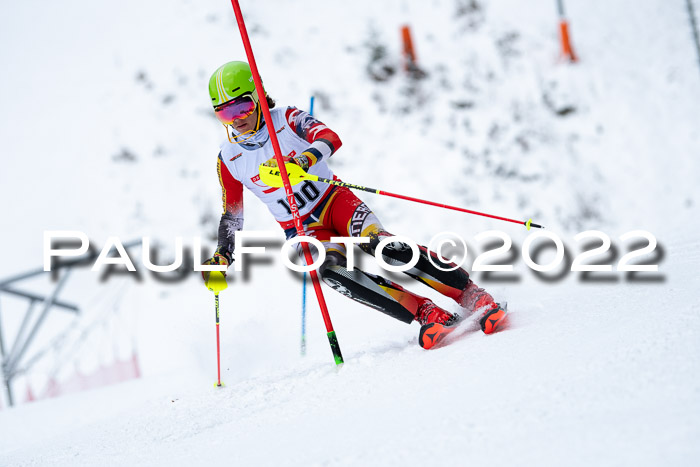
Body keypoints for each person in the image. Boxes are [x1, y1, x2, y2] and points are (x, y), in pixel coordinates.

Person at [202, 61, 507, 349]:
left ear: (258, 97)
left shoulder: (287, 119)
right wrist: (222, 256)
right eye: (225, 113)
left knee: (382, 245)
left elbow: (329, 137)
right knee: (331, 270)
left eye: (242, 106)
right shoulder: (229, 159)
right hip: (302, 228)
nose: (237, 119)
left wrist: (304, 159)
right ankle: (425, 312)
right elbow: (232, 216)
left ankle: (470, 294)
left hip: (335, 201)